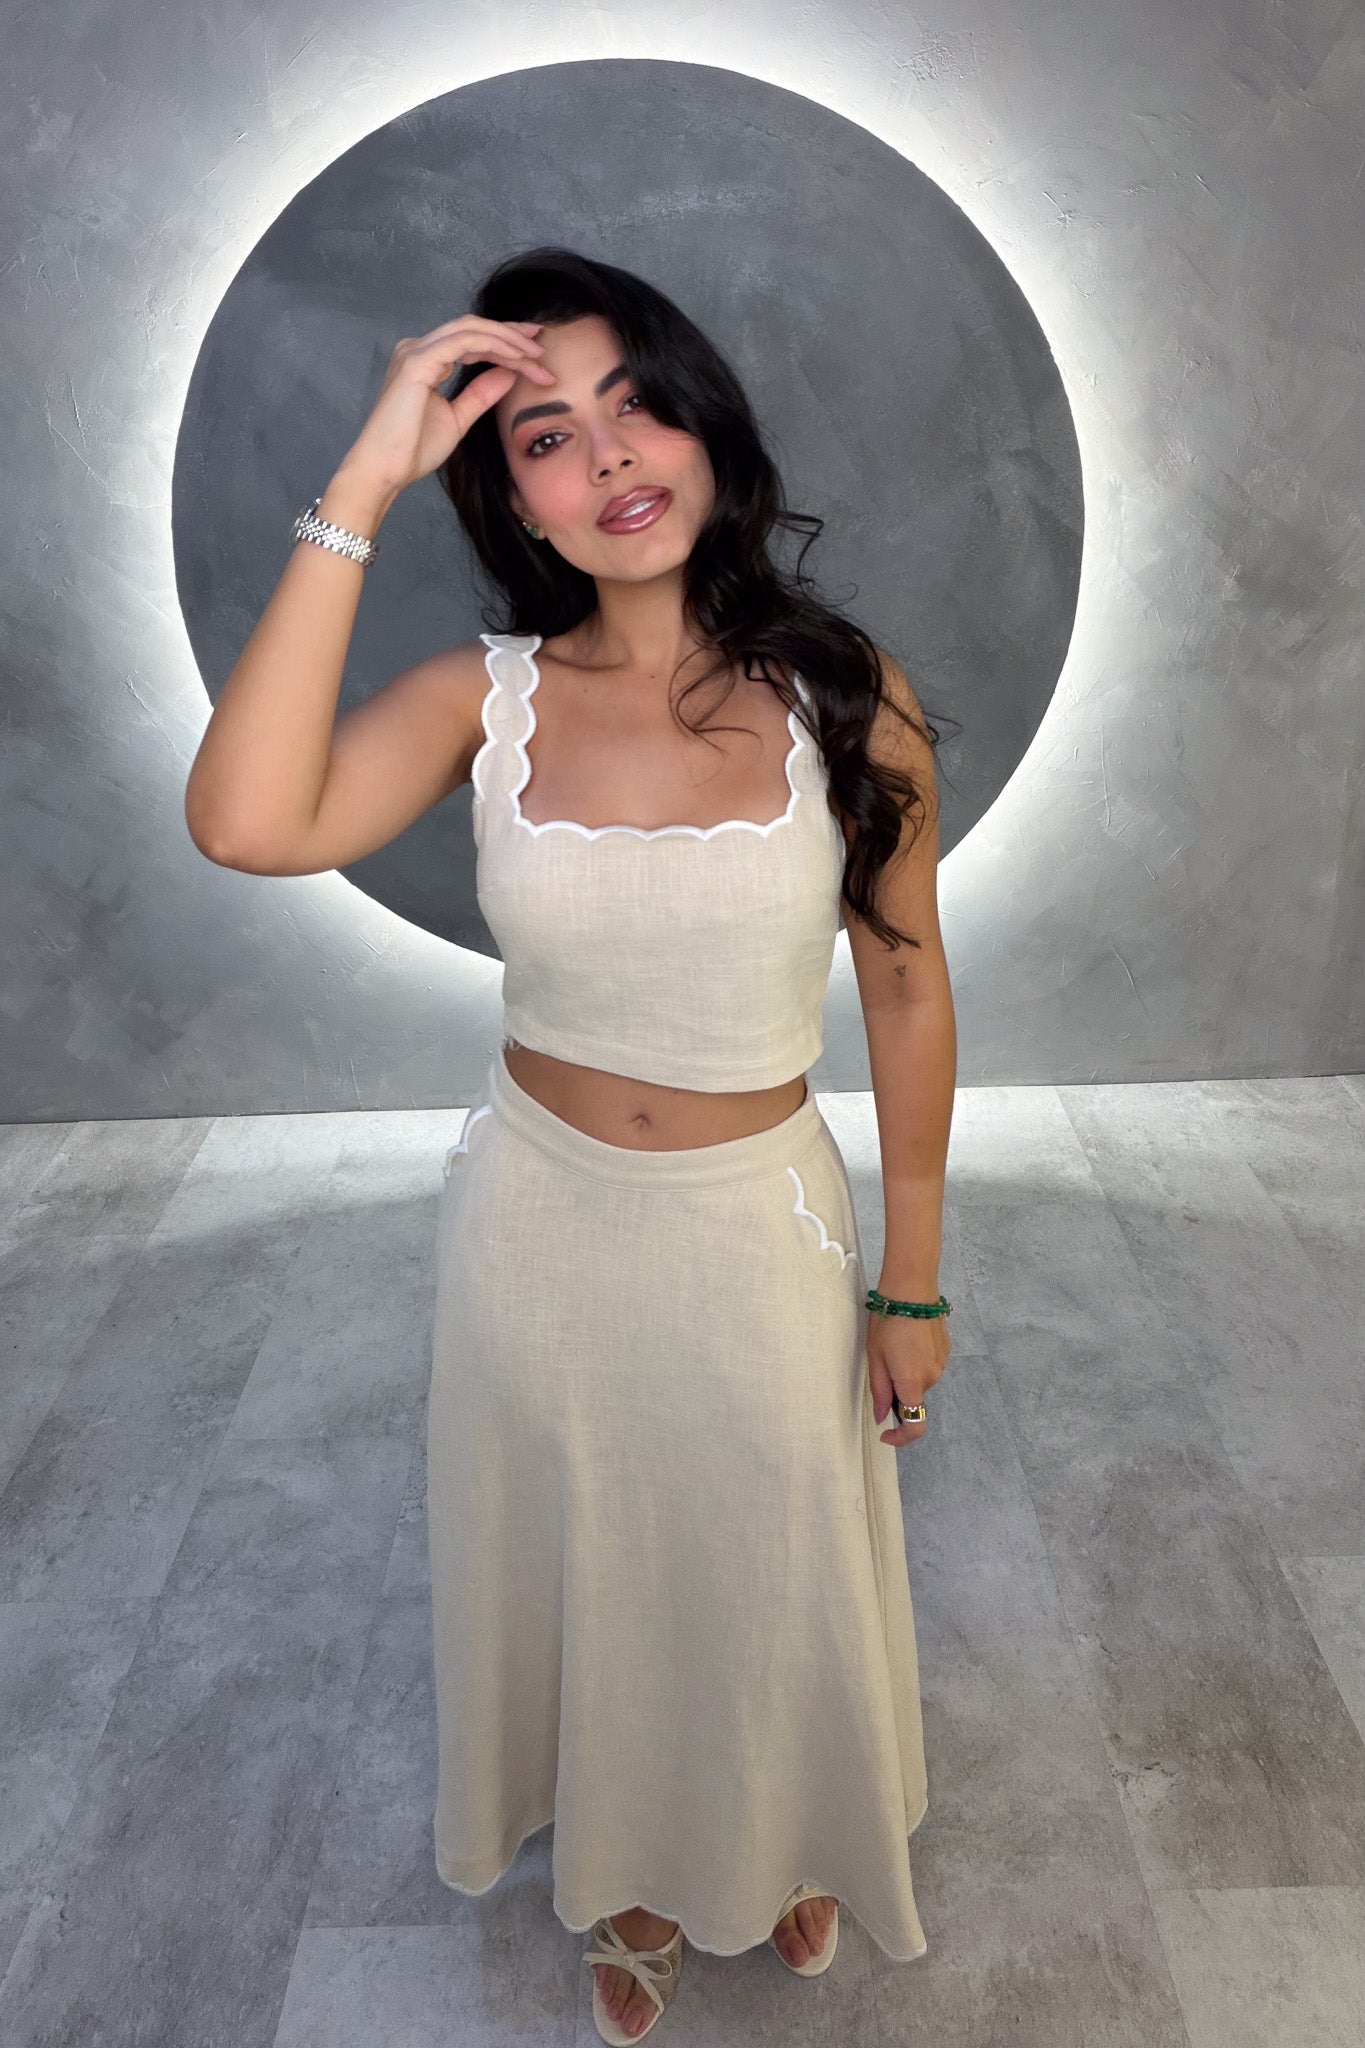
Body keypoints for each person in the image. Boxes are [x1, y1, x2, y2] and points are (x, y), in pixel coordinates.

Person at [185, 245, 957, 2045]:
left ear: (703, 429)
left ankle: (775, 1821)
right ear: (510, 496)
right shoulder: (485, 697)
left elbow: (908, 987)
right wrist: (366, 474)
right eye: (546, 436)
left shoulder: (843, 690)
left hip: (757, 1223)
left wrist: (912, 1285)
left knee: (761, 1556)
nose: (607, 454)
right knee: (589, 1563)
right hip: (535, 1225)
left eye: (635, 405)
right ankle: (626, 1871)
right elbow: (244, 821)